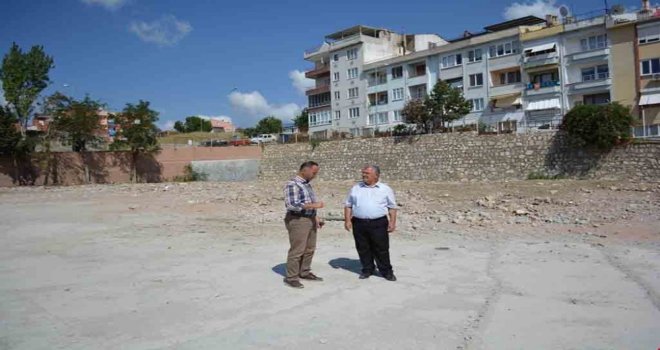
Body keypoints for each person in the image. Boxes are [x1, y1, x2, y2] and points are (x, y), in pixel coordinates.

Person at [344, 165, 398, 281]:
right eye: (363, 173)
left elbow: (392, 207)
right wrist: (347, 220)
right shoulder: (356, 188)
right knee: (363, 248)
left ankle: (386, 271)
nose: (364, 175)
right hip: (359, 223)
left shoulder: (385, 189)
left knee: (381, 248)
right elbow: (348, 205)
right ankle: (367, 269)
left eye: (367, 173)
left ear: (376, 175)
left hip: (378, 223)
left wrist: (392, 222)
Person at [282, 161, 325, 289]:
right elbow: (292, 205)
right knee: (297, 250)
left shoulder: (306, 185)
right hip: (298, 220)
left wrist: (315, 216)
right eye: (314, 172)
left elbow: (308, 201)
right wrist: (314, 205)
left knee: (310, 248)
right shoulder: (292, 184)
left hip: (309, 219)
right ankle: (291, 277)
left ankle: (304, 272)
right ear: (304, 170)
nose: (315, 175)